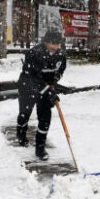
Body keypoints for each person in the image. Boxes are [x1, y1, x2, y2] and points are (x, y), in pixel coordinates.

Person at [16, 28, 67, 160]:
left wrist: (54, 81)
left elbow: (60, 70)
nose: (55, 47)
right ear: (45, 42)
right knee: (24, 114)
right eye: (52, 44)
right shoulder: (34, 53)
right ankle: (21, 134)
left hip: (46, 88)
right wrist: (48, 90)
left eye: (57, 44)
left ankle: (40, 148)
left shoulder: (60, 54)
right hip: (28, 87)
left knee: (45, 118)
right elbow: (33, 77)